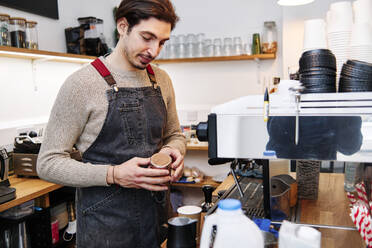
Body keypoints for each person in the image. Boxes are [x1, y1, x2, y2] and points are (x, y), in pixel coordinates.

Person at [36, 0, 186, 247]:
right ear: (123, 26)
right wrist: (114, 174)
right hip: (105, 230)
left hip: (156, 220)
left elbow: (174, 135)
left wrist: (174, 151)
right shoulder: (81, 85)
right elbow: (47, 163)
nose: (154, 50)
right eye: (146, 37)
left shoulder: (161, 79)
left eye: (162, 42)